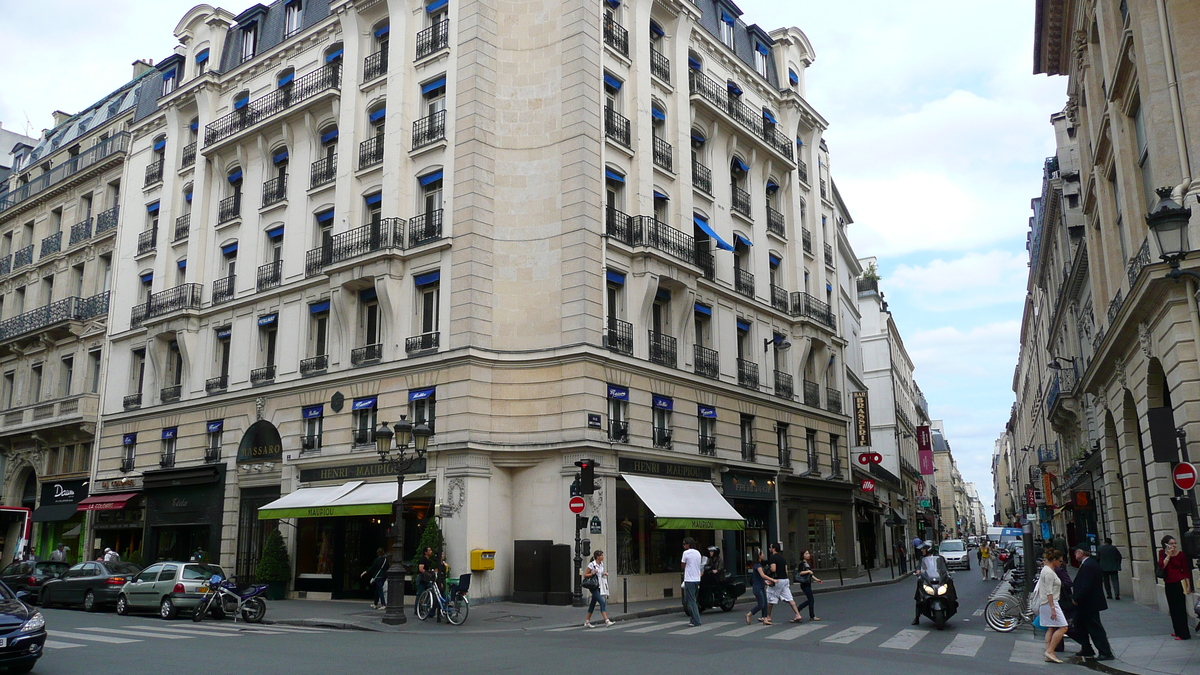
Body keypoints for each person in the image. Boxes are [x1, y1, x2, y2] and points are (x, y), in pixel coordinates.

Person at [1071, 546, 1114, 661]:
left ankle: (1105, 652)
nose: (1075, 555)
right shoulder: (1089, 564)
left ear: (1081, 552)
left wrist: (1077, 599)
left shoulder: (1089, 565)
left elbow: (1086, 585)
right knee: (1079, 624)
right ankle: (1086, 647)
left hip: (1088, 603)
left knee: (1094, 627)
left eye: (1076, 552)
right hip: (1086, 603)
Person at [1034, 549, 1070, 663]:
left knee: (1051, 627)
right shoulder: (1049, 572)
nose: (1061, 563)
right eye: (1059, 561)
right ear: (1054, 560)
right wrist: (1053, 608)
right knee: (1064, 627)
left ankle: (1049, 653)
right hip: (1051, 602)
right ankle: (1049, 651)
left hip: (1046, 603)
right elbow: (1049, 591)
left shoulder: (1046, 570)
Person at [1158, 535, 1192, 640]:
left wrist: (1188, 586)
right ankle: (1177, 631)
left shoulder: (1180, 554)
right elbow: (1162, 566)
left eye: (1175, 543)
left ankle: (1184, 633)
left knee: (1180, 608)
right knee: (1172, 608)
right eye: (1171, 543)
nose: (1174, 545)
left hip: (1179, 582)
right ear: (1166, 544)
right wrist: (1168, 555)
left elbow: (1185, 570)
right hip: (1169, 582)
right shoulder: (1162, 553)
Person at [765, 542, 803, 624]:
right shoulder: (783, 558)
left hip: (777, 580)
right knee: (789, 598)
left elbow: (773, 569)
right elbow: (786, 571)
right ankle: (797, 614)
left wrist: (769, 570)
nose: (769, 549)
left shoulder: (772, 558)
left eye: (770, 547)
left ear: (774, 549)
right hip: (785, 580)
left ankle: (768, 616)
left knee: (771, 598)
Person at [583, 550, 613, 628]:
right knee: (602, 602)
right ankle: (607, 621)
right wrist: (592, 573)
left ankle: (587, 621)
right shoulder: (592, 564)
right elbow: (585, 575)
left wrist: (604, 573)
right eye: (601, 555)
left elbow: (600, 574)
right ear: (597, 557)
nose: (603, 557)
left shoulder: (601, 564)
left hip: (599, 586)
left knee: (593, 604)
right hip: (593, 586)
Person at [745, 548, 773, 625]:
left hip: (761, 585)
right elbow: (762, 575)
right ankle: (749, 614)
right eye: (762, 554)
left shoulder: (758, 565)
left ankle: (765, 619)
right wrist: (772, 580)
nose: (763, 555)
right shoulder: (757, 565)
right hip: (757, 587)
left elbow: (758, 577)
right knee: (761, 604)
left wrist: (765, 582)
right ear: (759, 556)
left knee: (765, 604)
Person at [793, 549, 822, 621]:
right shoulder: (801, 563)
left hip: (808, 583)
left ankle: (799, 609)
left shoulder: (807, 563)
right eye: (806, 554)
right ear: (802, 555)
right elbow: (800, 573)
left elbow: (810, 574)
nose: (808, 555)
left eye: (808, 553)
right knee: (811, 600)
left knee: (810, 600)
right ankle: (811, 615)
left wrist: (817, 579)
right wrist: (808, 571)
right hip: (804, 584)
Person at [681, 538, 703, 627]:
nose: (683, 545)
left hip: (689, 579)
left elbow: (682, 565)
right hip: (697, 579)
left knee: (691, 601)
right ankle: (693, 620)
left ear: (688, 544)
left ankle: (697, 620)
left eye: (684, 544)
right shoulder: (698, 553)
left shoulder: (686, 553)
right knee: (693, 600)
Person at [415, 546, 435, 614]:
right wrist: (427, 573)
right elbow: (421, 569)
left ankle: (423, 607)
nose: (431, 551)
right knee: (420, 593)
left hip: (425, 578)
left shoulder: (428, 560)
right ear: (425, 552)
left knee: (428, 592)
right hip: (421, 578)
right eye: (429, 550)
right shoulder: (422, 559)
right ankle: (417, 609)